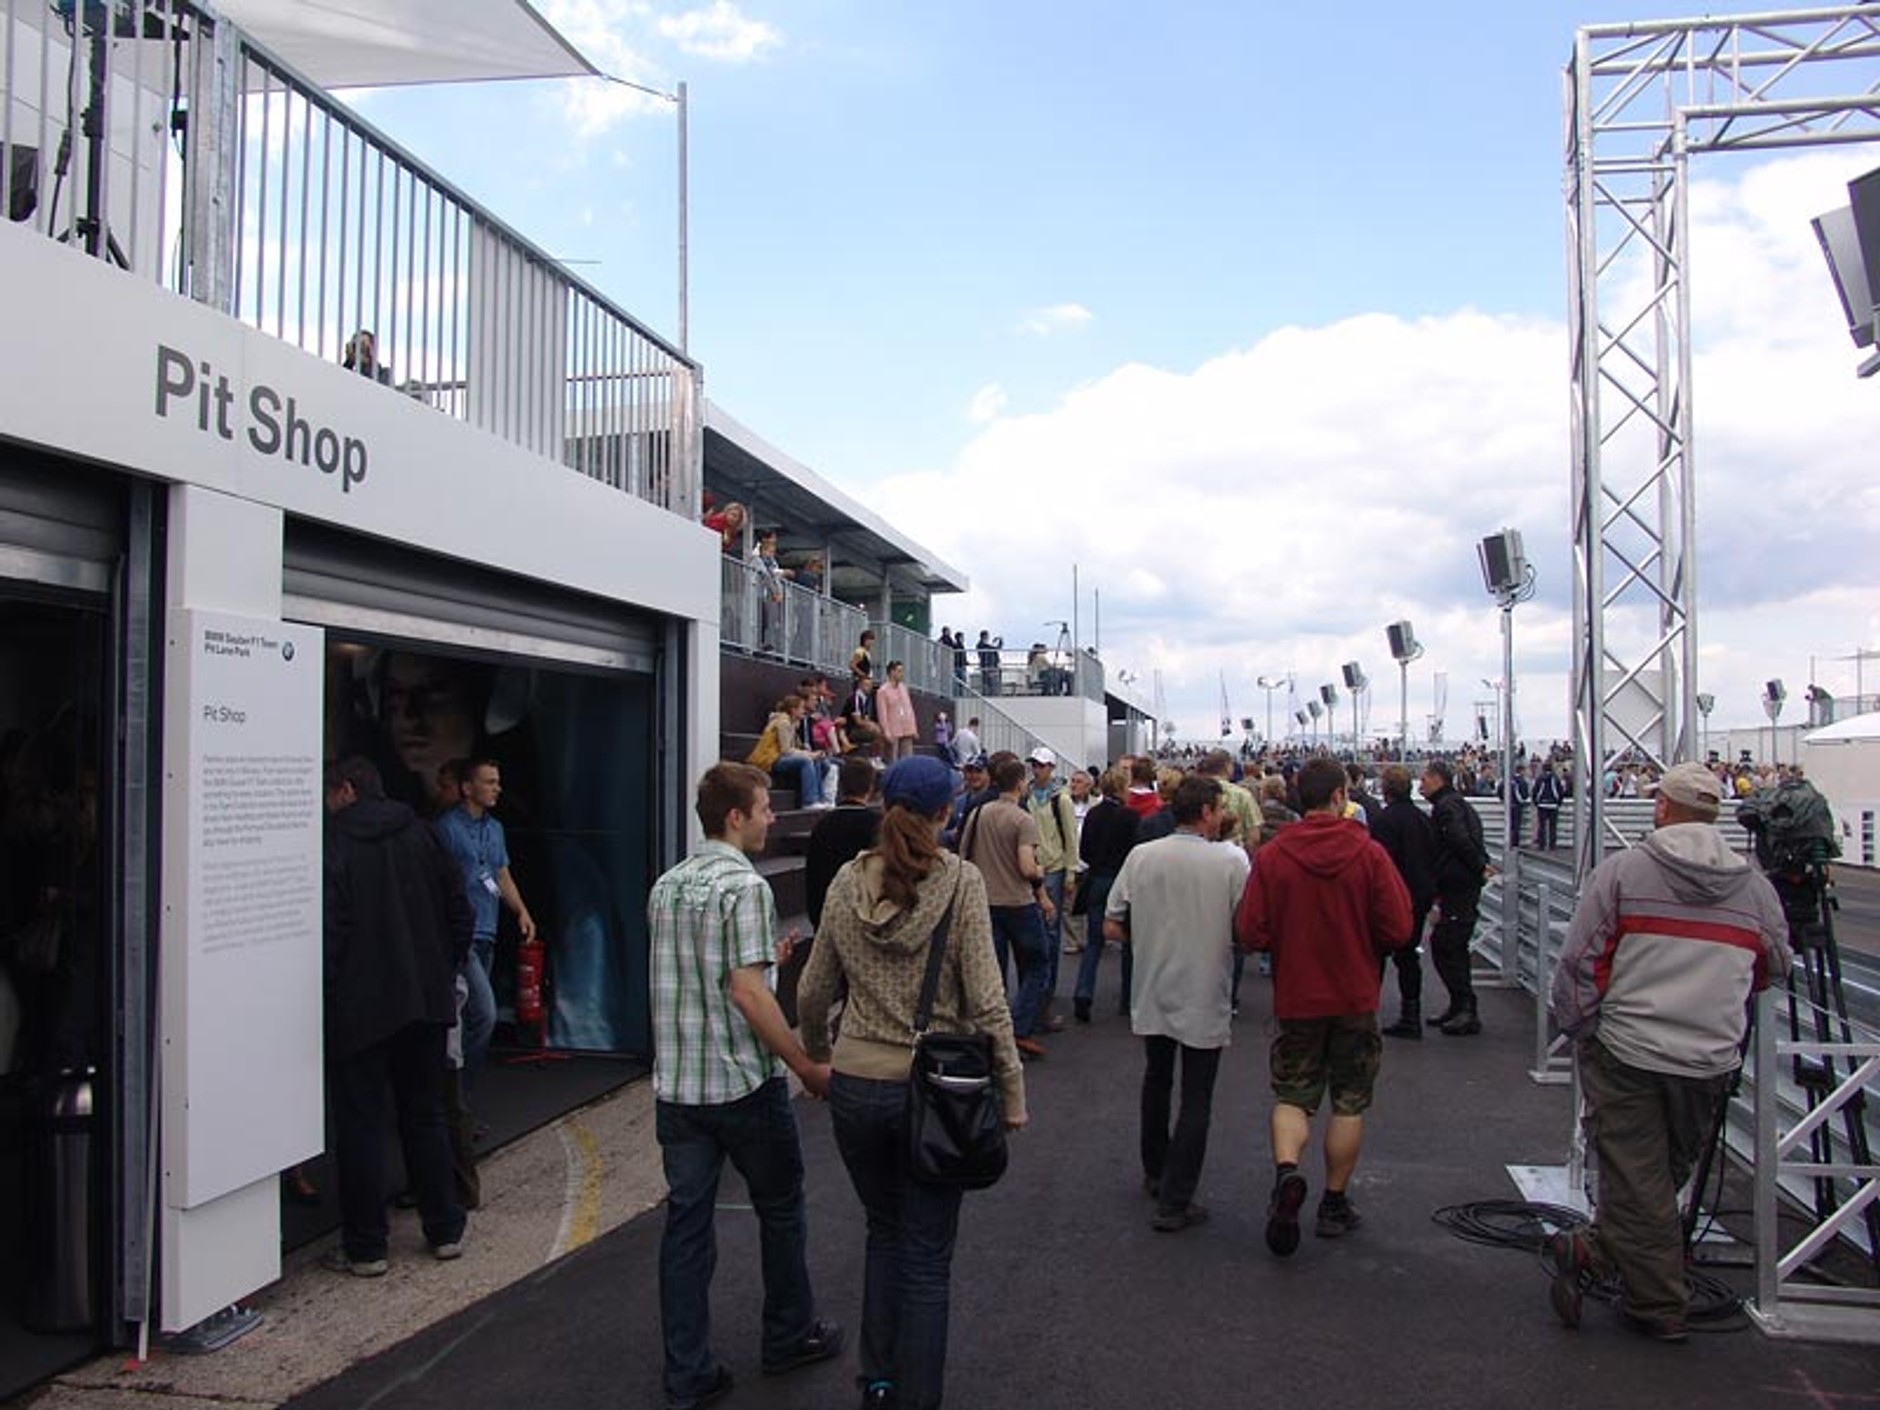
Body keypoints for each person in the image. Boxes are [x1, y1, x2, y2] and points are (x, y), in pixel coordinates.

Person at [797, 755, 1027, 1410]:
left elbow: (813, 990)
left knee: (884, 1230)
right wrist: (1011, 1089)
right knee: (927, 1258)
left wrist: (818, 1057)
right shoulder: (959, 882)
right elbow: (987, 999)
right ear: (946, 813)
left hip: (856, 1080)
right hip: (934, 1087)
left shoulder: (847, 882)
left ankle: (878, 1381)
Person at [1546, 762, 1790, 1342]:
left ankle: (1628, 1279)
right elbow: (1774, 966)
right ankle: (1636, 1282)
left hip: (1628, 1048)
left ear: (1662, 808)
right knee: (1656, 1175)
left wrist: (1582, 1028)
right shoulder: (1756, 890)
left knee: (1641, 1178)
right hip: (1709, 1053)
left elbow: (1579, 961)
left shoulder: (1623, 873)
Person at [648, 764, 844, 1410]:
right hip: (741, 1083)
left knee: (686, 1228)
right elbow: (745, 994)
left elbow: (703, 973)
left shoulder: (666, 886)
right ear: (735, 816)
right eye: (763, 809)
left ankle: (687, 1371)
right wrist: (804, 1066)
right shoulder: (747, 888)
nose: (771, 818)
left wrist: (765, 965)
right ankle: (788, 1334)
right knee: (781, 1208)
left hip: (680, 1087)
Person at [1235, 757, 1412, 1258]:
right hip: (1355, 993)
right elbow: (1398, 928)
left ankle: (1287, 1173)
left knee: (1293, 1095)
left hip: (1298, 995)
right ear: (1340, 796)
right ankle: (1334, 1202)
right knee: (1349, 1101)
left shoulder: (1274, 855)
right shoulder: (1369, 853)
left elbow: (1250, 930)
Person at [321, 757, 469, 1276]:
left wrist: (328, 993)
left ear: (345, 790)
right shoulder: (424, 833)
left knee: (360, 1126)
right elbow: (460, 909)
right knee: (425, 1115)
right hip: (425, 1001)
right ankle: (445, 1228)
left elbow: (331, 928)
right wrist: (442, 969)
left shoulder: (333, 841)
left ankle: (367, 1247)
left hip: (361, 1007)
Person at [1105, 776, 1248, 1232]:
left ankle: (1155, 1170)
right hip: (1204, 987)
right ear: (1206, 812)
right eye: (1219, 808)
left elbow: (1111, 924)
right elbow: (1247, 924)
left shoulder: (1142, 856)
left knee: (1157, 1079)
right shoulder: (1231, 860)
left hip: (1152, 984)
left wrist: (1146, 939)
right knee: (1197, 1095)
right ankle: (1175, 1198)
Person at [434, 758, 537, 1095]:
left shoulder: (495, 829)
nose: (497, 788)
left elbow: (501, 875)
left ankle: (457, 1092)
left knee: (468, 1016)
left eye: (497, 782)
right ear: (468, 788)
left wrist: (521, 910)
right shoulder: (447, 829)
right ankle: (457, 1092)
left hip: (486, 930)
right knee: (484, 1013)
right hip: (461, 934)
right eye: (489, 782)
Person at [959, 755, 1055, 1059]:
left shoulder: (978, 813)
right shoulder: (1022, 819)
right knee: (1038, 963)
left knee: (994, 970)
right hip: (1017, 901)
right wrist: (1040, 875)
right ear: (1020, 784)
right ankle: (1020, 1026)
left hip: (985, 900)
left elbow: (963, 853)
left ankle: (993, 1030)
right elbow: (1027, 867)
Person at [1421, 758, 1491, 1036]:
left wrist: (1479, 865)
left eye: (1425, 779)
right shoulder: (1456, 804)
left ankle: (1465, 1009)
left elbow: (1459, 838)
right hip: (1460, 884)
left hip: (1458, 886)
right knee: (1451, 946)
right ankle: (1459, 1005)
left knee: (1448, 946)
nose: (1421, 784)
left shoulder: (1447, 807)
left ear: (1438, 779)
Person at [1370, 764, 1437, 1039]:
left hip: (1392, 896)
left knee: (1376, 955)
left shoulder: (1384, 821)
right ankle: (1411, 1014)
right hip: (1419, 896)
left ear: (1386, 790)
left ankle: (1368, 1011)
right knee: (1408, 956)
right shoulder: (1423, 819)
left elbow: (1379, 864)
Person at [1074, 767, 1140, 1021]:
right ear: (1123, 787)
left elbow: (1084, 851)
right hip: (1121, 881)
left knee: (1093, 942)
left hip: (1097, 879)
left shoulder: (1093, 814)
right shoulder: (1131, 817)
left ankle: (1083, 990)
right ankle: (1127, 999)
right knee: (1128, 941)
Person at [1024, 746, 1079, 1027]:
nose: (1037, 770)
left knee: (1051, 928)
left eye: (1041, 765)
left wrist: (1071, 872)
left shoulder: (1061, 800)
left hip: (1054, 867)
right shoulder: (1026, 796)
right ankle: (1037, 984)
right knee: (1034, 927)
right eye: (1034, 765)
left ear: (1051, 768)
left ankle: (1048, 987)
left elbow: (1070, 837)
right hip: (1031, 865)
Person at [806, 757, 882, 929]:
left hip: (827, 918)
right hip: (865, 923)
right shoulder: (877, 825)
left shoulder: (822, 825)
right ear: (871, 787)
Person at [748, 695, 828, 810]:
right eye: (801, 708)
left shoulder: (792, 723)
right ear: (793, 710)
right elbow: (785, 750)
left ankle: (820, 798)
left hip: (779, 756)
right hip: (770, 759)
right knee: (806, 761)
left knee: (817, 760)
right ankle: (809, 801)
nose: (804, 711)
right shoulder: (783, 723)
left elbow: (795, 747)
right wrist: (809, 755)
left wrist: (811, 753)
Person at [750, 529, 793, 655]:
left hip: (767, 596)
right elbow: (765, 575)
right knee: (761, 619)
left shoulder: (771, 560)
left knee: (769, 620)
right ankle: (757, 645)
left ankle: (767, 644)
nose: (774, 543)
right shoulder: (757, 557)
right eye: (772, 540)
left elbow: (773, 573)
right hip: (759, 594)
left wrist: (782, 575)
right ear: (764, 540)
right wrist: (775, 591)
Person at [875, 661, 919, 762]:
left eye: (901, 671)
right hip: (893, 729)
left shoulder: (903, 688)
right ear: (892, 672)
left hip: (907, 728)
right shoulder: (883, 691)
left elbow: (909, 708)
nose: (901, 674)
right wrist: (886, 731)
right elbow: (882, 714)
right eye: (899, 671)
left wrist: (914, 728)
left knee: (908, 759)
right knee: (892, 760)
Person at [1533, 761, 1567, 850]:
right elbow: (1560, 791)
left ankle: (1541, 845)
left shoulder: (1540, 779)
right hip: (1553, 805)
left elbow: (1535, 791)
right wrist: (1559, 802)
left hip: (1542, 805)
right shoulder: (1555, 779)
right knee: (1553, 827)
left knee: (1542, 826)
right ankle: (1552, 845)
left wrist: (1536, 802)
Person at [974, 631, 1002, 696]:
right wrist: (1000, 640)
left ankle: (989, 694)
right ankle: (989, 695)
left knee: (987, 682)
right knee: (989, 682)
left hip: (987, 665)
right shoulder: (983, 645)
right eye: (987, 636)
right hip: (988, 666)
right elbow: (997, 648)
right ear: (984, 636)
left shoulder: (981, 645)